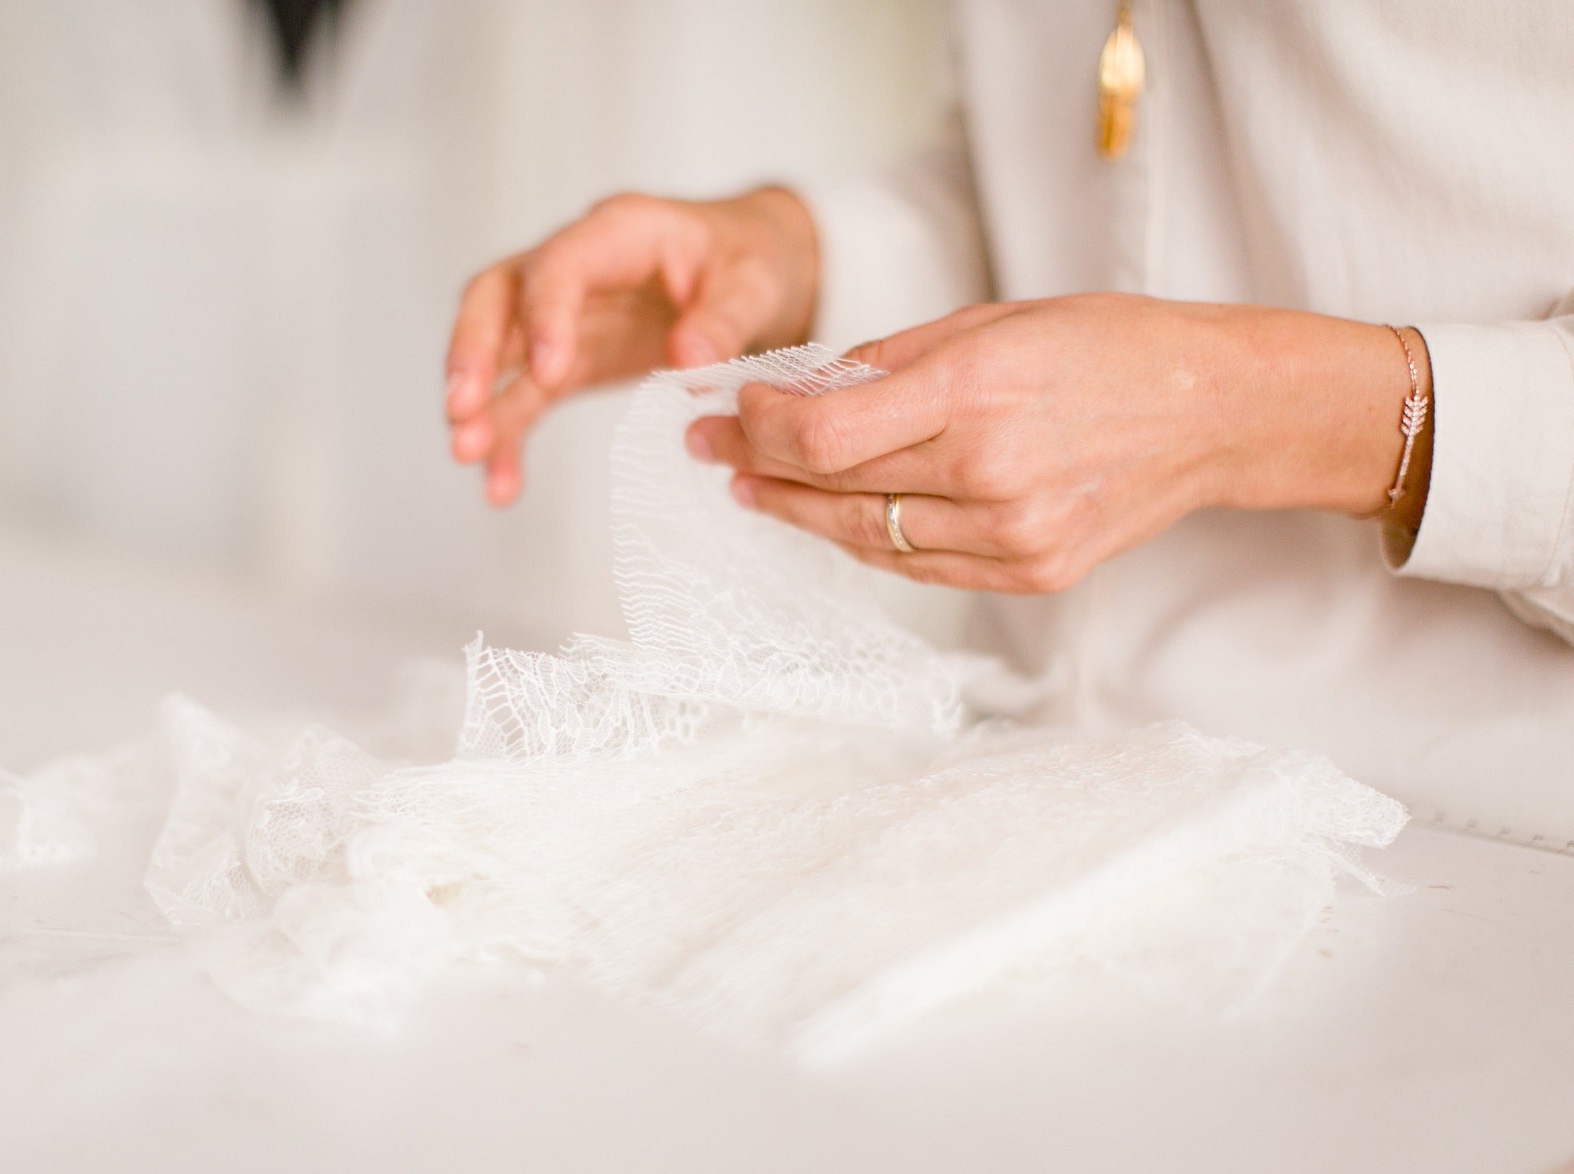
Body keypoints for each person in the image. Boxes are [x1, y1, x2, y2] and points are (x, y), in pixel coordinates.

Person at [440, 1, 1574, 843]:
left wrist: (1239, 407)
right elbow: (1079, 188)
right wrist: (801, 260)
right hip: (1048, 814)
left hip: (1481, 871)